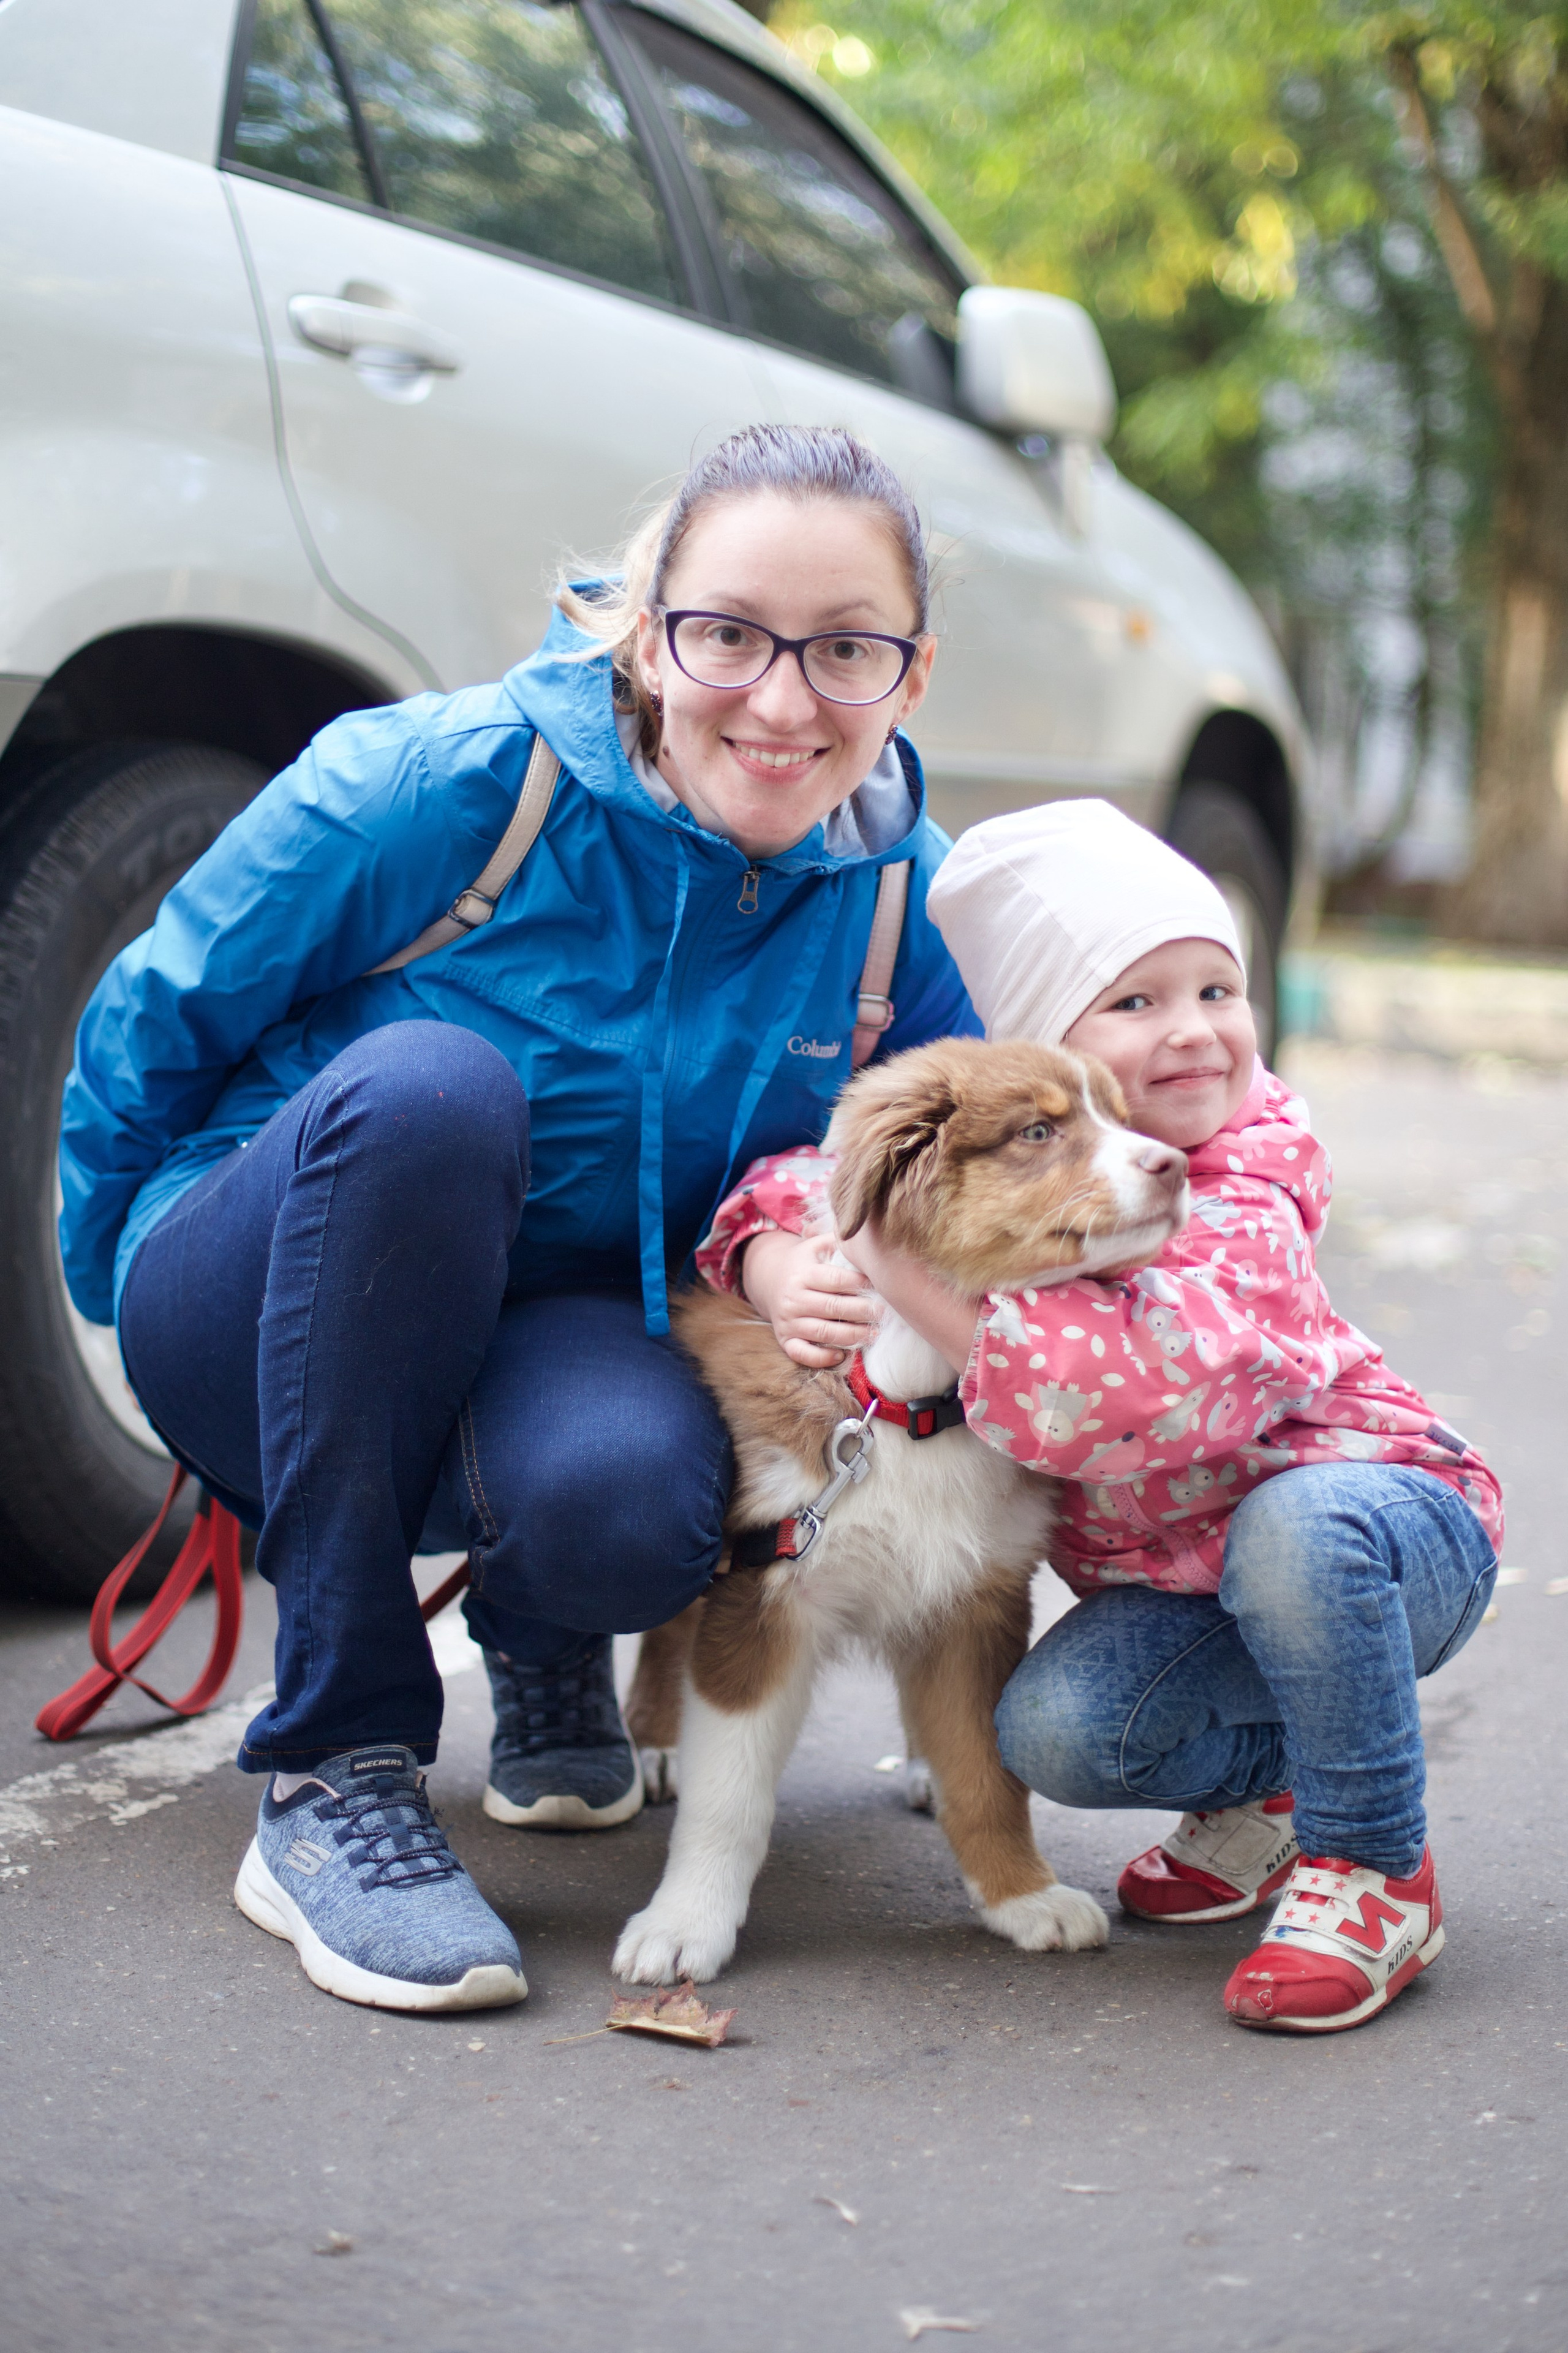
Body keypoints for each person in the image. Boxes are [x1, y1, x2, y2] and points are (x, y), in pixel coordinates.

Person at [57, 425, 979, 2013]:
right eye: (728, 634)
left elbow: (992, 1162)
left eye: (846, 651)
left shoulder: (902, 895)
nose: (779, 700)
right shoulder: (447, 781)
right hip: (261, 1297)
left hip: (562, 1332)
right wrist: (119, 1316)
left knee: (643, 1502)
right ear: (645, 622)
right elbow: (155, 1018)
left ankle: (542, 1613)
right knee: (434, 1090)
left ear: (911, 673)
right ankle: (331, 1765)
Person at [708, 800, 1502, 2035]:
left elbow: (1128, 1381)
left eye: (1216, 988)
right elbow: (825, 1165)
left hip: (1389, 1541)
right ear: (1048, 1058)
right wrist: (769, 1249)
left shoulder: (1246, 1184)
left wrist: (881, 1251)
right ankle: (1271, 1800)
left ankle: (1369, 1865)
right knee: (1062, 1730)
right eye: (1133, 1004)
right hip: (1193, 1598)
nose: (1190, 1030)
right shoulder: (1050, 1157)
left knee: (1294, 1534)